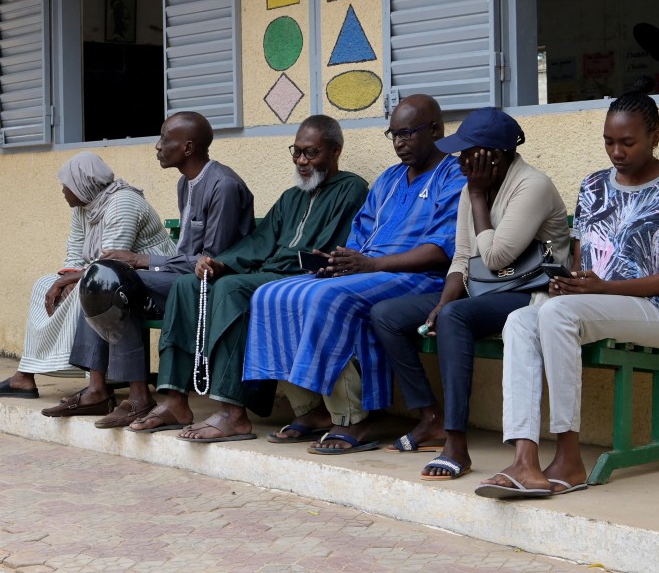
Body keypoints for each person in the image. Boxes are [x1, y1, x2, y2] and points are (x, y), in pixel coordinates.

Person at [477, 91, 659, 499]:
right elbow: (581, 260)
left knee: (558, 315)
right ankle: (525, 458)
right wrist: (568, 282)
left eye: (628, 142)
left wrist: (600, 288)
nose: (617, 152)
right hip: (593, 304)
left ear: (655, 137)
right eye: (609, 141)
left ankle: (569, 458)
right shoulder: (593, 185)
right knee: (520, 319)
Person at [241, 95, 464, 452]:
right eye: (394, 134)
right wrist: (338, 261)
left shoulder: (454, 175)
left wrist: (371, 265)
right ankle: (312, 409)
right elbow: (361, 239)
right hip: (371, 272)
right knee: (273, 294)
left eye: (408, 133)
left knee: (328, 299)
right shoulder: (389, 179)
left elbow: (441, 250)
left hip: (422, 277)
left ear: (436, 129)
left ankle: (354, 419)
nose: (400, 143)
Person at [129, 115, 369, 440]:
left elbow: (327, 250)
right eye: (296, 152)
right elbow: (260, 241)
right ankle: (174, 399)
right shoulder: (291, 196)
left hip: (302, 278)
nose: (301, 161)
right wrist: (220, 263)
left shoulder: (350, 188)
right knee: (189, 284)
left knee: (231, 290)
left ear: (335, 151)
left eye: (310, 153)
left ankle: (233, 413)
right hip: (268, 274)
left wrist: (233, 274)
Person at [370, 108, 570, 480]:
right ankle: (431, 417)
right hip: (484, 290)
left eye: (467, 153)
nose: (459, 160)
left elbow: (495, 258)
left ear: (492, 155)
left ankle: (456, 444)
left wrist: (478, 196)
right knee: (388, 316)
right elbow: (462, 256)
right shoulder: (469, 185)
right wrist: (443, 302)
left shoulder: (531, 185)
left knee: (455, 317)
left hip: (529, 293)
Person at [61, 112, 256, 428]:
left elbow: (213, 261)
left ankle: (139, 399)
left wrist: (143, 260)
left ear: (188, 147)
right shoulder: (185, 183)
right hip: (178, 278)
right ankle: (98, 390)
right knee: (100, 280)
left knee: (112, 284)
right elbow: (186, 255)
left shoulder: (223, 186)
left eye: (166, 139)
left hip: (208, 285)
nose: (157, 146)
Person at [0, 151, 176, 405]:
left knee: (85, 289)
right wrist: (67, 275)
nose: (63, 191)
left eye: (67, 185)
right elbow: (75, 249)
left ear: (83, 184)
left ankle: (59, 375)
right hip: (105, 273)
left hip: (145, 279)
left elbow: (112, 263)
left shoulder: (123, 203)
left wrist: (68, 281)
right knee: (43, 283)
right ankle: (27, 372)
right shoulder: (85, 206)